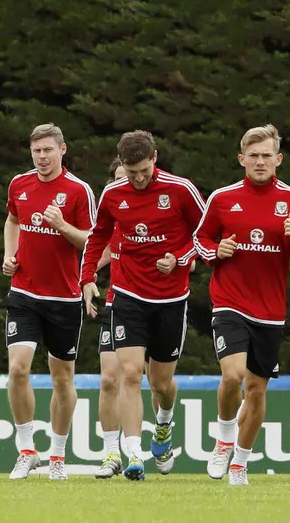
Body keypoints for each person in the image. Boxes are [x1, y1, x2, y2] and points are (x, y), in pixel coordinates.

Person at [194, 125, 290, 485]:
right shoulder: (222, 198)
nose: (259, 161)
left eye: (266, 155)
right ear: (241, 159)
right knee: (233, 376)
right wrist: (214, 252)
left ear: (278, 159)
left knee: (256, 389)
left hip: (270, 310)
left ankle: (240, 461)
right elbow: (201, 239)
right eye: (253, 155)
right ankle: (224, 439)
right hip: (229, 302)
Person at [80, 130, 206, 481]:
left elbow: (207, 234)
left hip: (170, 298)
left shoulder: (180, 190)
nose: (137, 178)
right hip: (127, 295)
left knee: (162, 384)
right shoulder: (113, 193)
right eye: (131, 171)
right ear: (122, 165)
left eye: (143, 171)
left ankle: (163, 425)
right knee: (130, 374)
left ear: (155, 158)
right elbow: (98, 236)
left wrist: (179, 258)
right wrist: (87, 277)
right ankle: (134, 453)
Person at [3, 123, 96, 481]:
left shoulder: (78, 191)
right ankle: (27, 449)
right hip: (24, 292)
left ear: (62, 150)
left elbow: (91, 241)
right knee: (18, 369)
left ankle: (57, 456)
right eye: (36, 151)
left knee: (61, 380)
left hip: (64, 298)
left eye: (48, 150)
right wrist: (9, 254)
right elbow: (12, 221)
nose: (41, 157)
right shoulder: (19, 184)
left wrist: (62, 227)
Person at [92, 158, 128, 479]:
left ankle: (160, 428)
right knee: (108, 379)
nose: (121, 183)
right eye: (115, 178)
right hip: (116, 305)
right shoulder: (110, 217)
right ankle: (111, 454)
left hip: (153, 307)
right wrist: (85, 283)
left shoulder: (154, 215)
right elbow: (98, 255)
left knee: (155, 384)